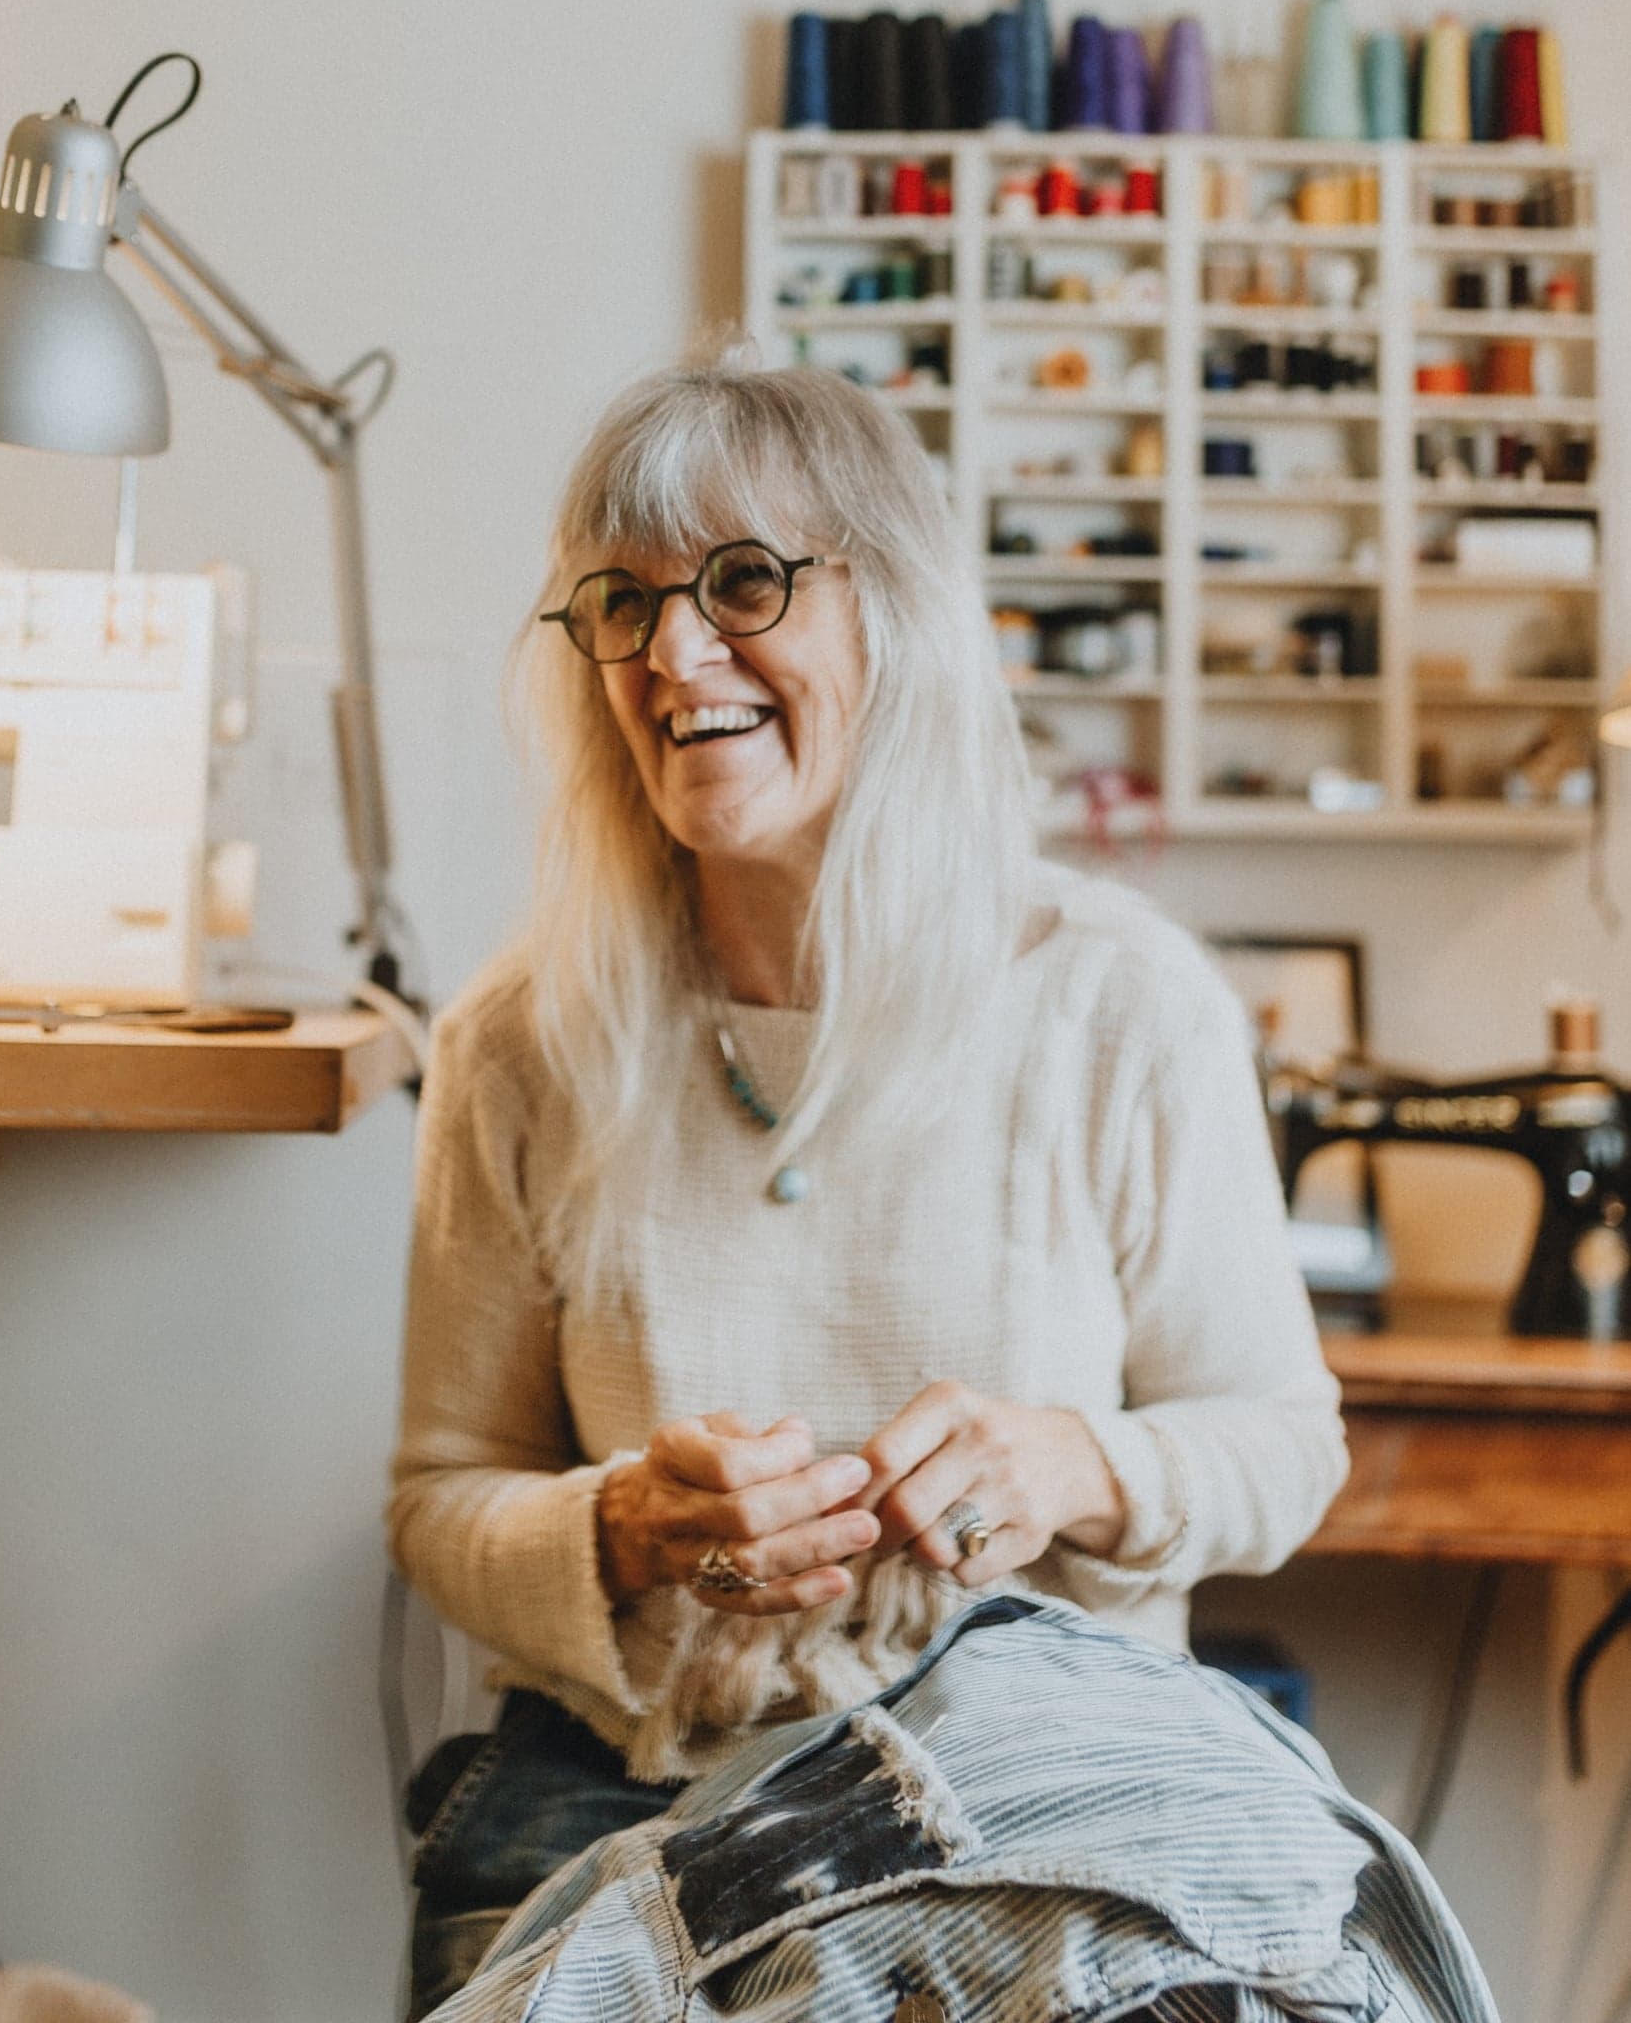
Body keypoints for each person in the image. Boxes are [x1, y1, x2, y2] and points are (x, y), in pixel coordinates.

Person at [388, 362, 1349, 2017]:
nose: (674, 656)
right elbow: (442, 1492)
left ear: (895, 611)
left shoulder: (1117, 1005)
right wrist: (616, 1529)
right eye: (622, 607)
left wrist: (1070, 1463)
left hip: (1050, 1798)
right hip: (640, 1801)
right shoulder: (523, 1043)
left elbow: (1283, 1444)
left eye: (744, 583)